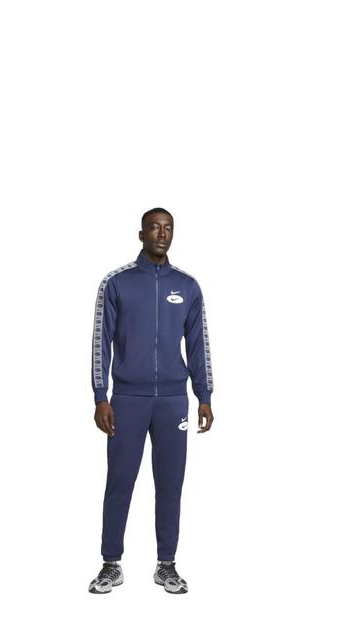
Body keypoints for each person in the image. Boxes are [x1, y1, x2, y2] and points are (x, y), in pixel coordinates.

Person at [88, 208, 214, 595]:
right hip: (127, 399)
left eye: (168, 228)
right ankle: (111, 564)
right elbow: (100, 342)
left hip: (173, 401)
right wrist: (101, 396)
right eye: (155, 228)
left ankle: (167, 565)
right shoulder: (117, 283)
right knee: (120, 481)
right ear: (141, 234)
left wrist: (204, 395)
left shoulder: (187, 286)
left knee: (170, 484)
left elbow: (199, 344)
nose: (162, 234)